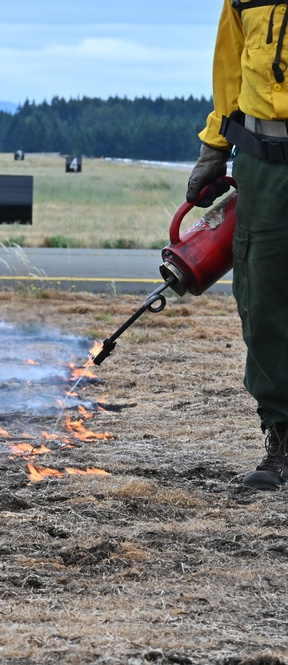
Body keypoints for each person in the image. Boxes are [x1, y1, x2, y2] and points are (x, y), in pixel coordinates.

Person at [188, 0, 288, 490]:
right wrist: (213, 150)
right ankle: (283, 440)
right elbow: (229, 72)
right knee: (263, 300)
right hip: (263, 164)